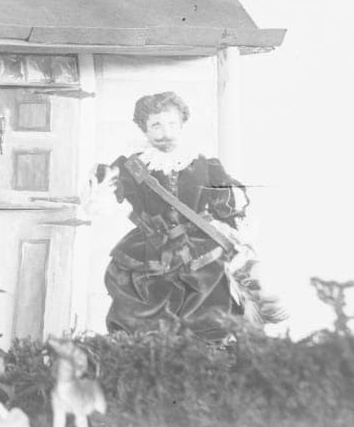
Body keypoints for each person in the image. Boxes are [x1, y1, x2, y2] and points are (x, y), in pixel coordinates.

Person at [97, 92, 281, 340]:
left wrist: (234, 232)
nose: (166, 132)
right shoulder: (132, 167)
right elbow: (107, 195)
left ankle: (206, 353)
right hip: (149, 249)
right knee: (143, 307)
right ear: (144, 129)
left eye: (172, 124)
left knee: (210, 302)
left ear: (182, 124)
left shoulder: (204, 165)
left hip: (198, 247)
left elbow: (227, 205)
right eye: (156, 126)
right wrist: (101, 180)